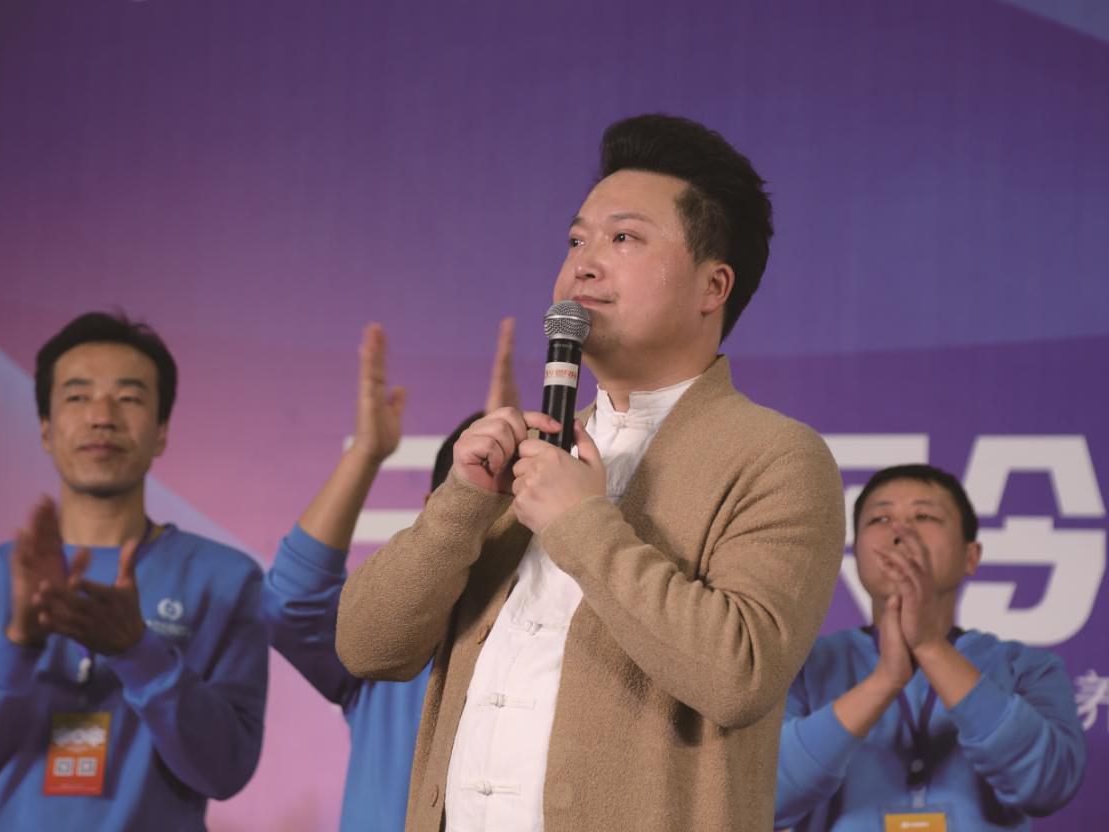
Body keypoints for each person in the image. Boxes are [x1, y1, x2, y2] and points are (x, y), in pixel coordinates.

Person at [334, 114, 847, 832]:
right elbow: (366, 646)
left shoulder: (778, 457)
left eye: (624, 239)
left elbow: (740, 675)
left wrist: (580, 524)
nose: (583, 264)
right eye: (577, 240)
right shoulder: (527, 451)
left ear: (713, 285)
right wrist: (460, 505)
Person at [0, 312, 267, 831]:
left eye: (129, 398)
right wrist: (18, 645)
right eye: (78, 397)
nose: (102, 417)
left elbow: (225, 770)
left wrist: (138, 652)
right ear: (45, 429)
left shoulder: (225, 580)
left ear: (161, 431)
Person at [264, 319, 520, 831]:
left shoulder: (558, 633)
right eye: (480, 497)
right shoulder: (392, 634)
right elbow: (293, 601)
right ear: (433, 507)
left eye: (516, 505)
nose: (499, 517)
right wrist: (365, 454)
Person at [775, 464, 1086, 831]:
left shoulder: (1027, 667)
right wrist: (884, 681)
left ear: (971, 556)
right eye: (880, 519)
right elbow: (766, 794)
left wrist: (931, 648)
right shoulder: (803, 666)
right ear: (856, 553)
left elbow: (1050, 785)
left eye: (923, 516)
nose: (900, 532)